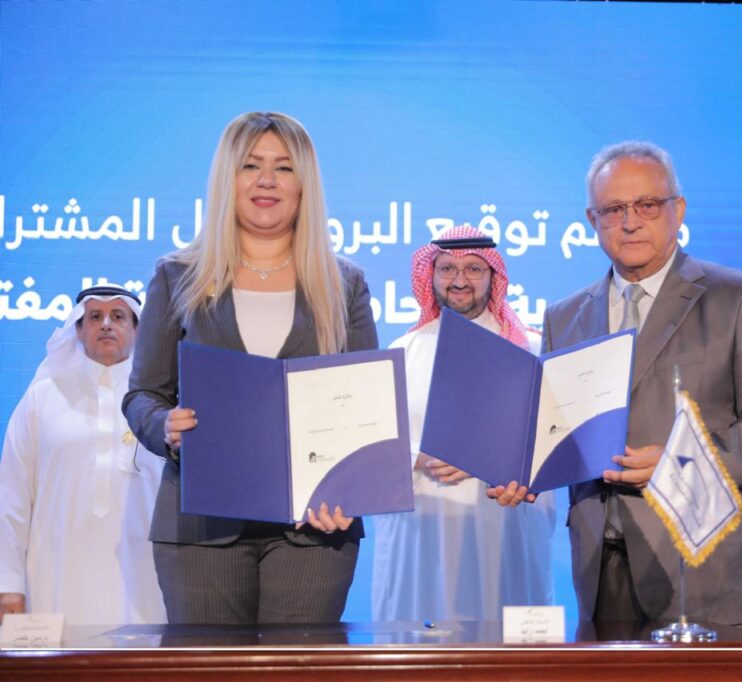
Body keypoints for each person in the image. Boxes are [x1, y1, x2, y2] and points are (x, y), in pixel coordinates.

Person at [490, 141, 742, 632]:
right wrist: (524, 471)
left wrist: (682, 460)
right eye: (613, 209)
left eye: (647, 205)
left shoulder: (739, 295)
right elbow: (561, 433)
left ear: (677, 210)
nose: (630, 222)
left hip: (711, 571)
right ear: (592, 219)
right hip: (602, 574)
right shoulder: (564, 317)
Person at [123, 112, 377, 624]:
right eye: (251, 165)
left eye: (284, 168)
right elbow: (143, 394)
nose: (266, 181)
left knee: (300, 667)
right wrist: (164, 425)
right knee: (209, 667)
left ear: (304, 184)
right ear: (227, 178)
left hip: (314, 528)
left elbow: (367, 404)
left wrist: (349, 491)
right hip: (199, 527)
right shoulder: (177, 276)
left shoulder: (343, 284)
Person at [371, 224, 555, 622]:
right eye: (447, 269)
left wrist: (486, 455)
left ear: (493, 275)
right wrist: (420, 457)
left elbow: (550, 441)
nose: (459, 280)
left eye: (473, 268)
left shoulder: (529, 348)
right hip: (421, 530)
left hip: (502, 526)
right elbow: (376, 445)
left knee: (501, 636)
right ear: (431, 275)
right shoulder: (404, 351)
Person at [0, 285, 165, 625]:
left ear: (137, 330)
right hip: (54, 578)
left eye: (118, 316)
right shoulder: (41, 399)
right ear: (77, 329)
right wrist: (8, 583)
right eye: (94, 317)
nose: (106, 324)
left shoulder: (160, 405)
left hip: (145, 580)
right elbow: (11, 498)